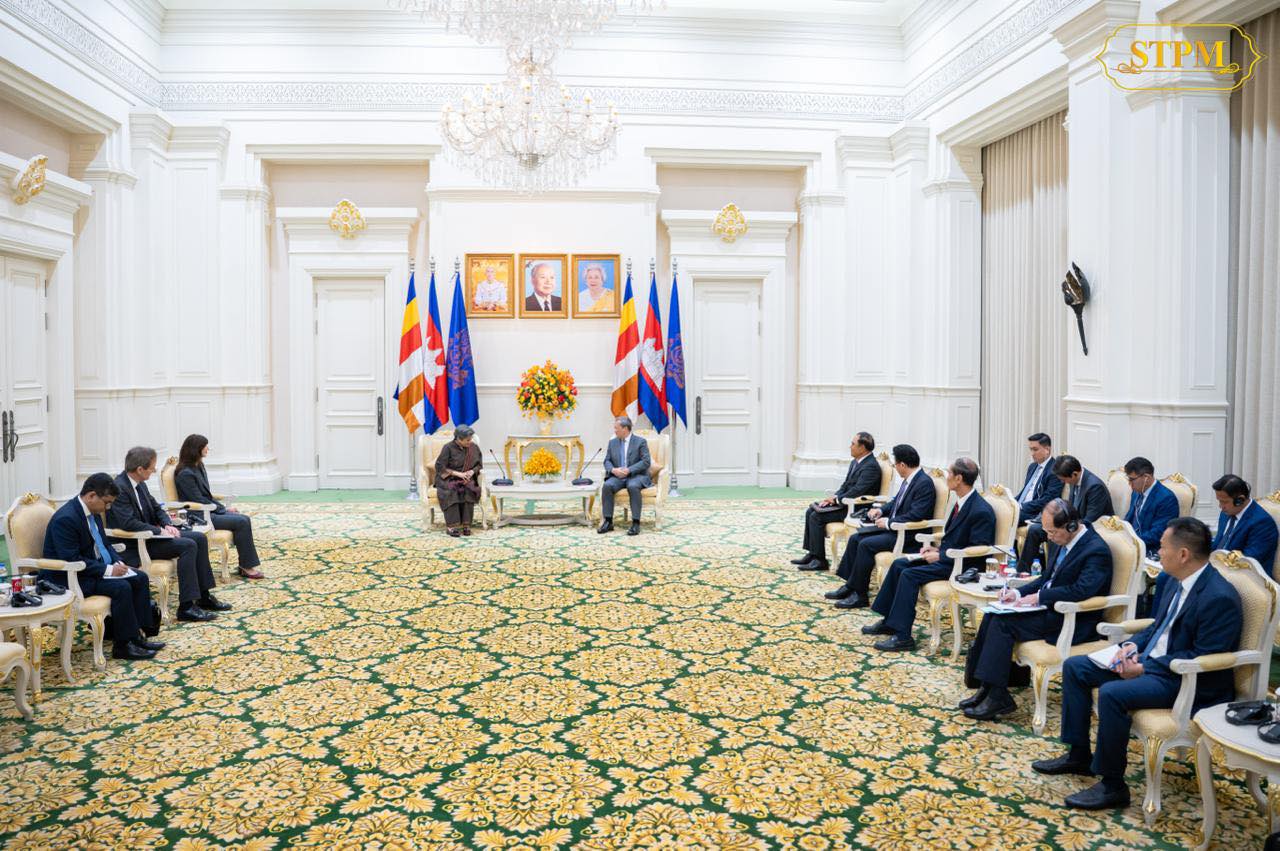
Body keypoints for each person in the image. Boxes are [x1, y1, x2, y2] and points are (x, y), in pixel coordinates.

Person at [1033, 517, 1242, 810]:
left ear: (1183, 554)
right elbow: (1158, 627)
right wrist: (1131, 646)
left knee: (1112, 694)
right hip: (1154, 662)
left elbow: (1201, 656)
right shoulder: (1174, 579)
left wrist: (1143, 668)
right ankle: (1079, 754)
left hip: (1186, 680)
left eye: (1163, 547)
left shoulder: (1219, 597)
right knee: (1076, 667)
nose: (1159, 552)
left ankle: (1112, 785)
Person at [960, 498, 1112, 721]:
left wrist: (1038, 597)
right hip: (1050, 609)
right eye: (1047, 531)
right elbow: (1046, 578)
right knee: (993, 613)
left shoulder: (1096, 551)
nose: (1048, 537)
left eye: (1052, 532)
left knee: (1003, 624)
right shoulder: (1063, 541)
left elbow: (1081, 590)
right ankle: (987, 688)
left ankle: (998, 696)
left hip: (1072, 619)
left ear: (1071, 526)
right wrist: (1018, 593)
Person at [864, 457, 996, 651]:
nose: (947, 477)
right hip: (948, 558)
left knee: (909, 575)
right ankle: (889, 621)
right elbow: (956, 538)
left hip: (962, 566)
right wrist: (937, 549)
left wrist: (941, 556)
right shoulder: (962, 502)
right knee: (899, 564)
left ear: (959, 478)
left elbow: (978, 550)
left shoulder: (980, 510)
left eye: (949, 473)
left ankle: (903, 637)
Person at [40, 474, 163, 660]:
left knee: (140, 577)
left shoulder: (94, 513)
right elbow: (72, 559)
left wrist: (117, 561)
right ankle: (123, 645)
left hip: (91, 570)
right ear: (91, 496)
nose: (108, 508)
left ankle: (138, 636)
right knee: (121, 587)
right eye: (107, 503)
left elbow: (105, 545)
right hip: (69, 578)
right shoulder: (66, 519)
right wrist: (109, 570)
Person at [108, 446, 227, 623]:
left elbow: (157, 508)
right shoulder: (120, 488)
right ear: (140, 469)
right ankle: (186, 607)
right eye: (152, 467)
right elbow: (128, 523)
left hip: (151, 537)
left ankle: (203, 596)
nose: (154, 470)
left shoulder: (139, 483)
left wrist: (167, 524)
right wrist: (159, 530)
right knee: (188, 545)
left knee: (200, 538)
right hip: (136, 544)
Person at [825, 444, 936, 609]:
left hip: (908, 535)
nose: (895, 467)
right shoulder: (911, 479)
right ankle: (850, 586)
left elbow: (916, 515)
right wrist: (881, 510)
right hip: (895, 529)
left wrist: (889, 523)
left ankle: (860, 595)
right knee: (855, 538)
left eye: (895, 464)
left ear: (902, 465)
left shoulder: (923, 483)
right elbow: (896, 502)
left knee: (866, 545)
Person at [174, 434, 265, 579]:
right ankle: (246, 566)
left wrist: (223, 508)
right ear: (196, 449)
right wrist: (223, 509)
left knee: (244, 519)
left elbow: (207, 496)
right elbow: (198, 500)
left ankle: (245, 565)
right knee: (241, 521)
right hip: (198, 515)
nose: (208, 449)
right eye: (205, 446)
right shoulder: (185, 474)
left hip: (208, 510)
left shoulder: (198, 466)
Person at [791, 431, 882, 572]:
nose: (850, 446)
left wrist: (836, 500)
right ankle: (812, 554)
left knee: (816, 517)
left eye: (853, 444)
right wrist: (833, 499)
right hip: (846, 503)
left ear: (862, 447)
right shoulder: (856, 462)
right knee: (810, 511)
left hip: (857, 509)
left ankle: (820, 561)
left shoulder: (871, 467)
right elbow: (846, 485)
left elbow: (858, 491)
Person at [1018, 454, 1113, 573]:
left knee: (1057, 534)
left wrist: (1063, 526)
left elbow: (1090, 520)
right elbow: (1071, 510)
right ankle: (1023, 572)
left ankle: (1053, 573)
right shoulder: (1074, 481)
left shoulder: (1095, 487)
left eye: (1063, 479)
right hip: (1072, 523)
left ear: (1074, 474)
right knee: (1035, 530)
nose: (1063, 482)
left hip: (1088, 529)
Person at [1210, 474, 1277, 576]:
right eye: (1219, 501)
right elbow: (1218, 545)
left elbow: (1248, 562)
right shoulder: (1226, 513)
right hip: (1219, 569)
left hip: (1245, 577)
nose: (1221, 506)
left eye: (1224, 502)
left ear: (1240, 500)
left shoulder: (1262, 523)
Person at [598, 416, 651, 537]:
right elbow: (607, 460)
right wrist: (613, 470)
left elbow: (646, 461)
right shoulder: (612, 442)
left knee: (632, 486)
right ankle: (608, 522)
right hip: (618, 476)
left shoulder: (640, 442)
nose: (614, 431)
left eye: (616, 428)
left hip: (636, 475)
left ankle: (636, 523)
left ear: (625, 429)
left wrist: (629, 470)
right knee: (607, 485)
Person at [1121, 456, 1179, 552]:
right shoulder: (1136, 492)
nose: (1129, 483)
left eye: (1132, 479)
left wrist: (1131, 542)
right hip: (1132, 545)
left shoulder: (1167, 499)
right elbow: (1129, 518)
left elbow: (1158, 534)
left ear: (1146, 478)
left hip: (1150, 549)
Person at [434, 425, 483, 537]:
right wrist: (458, 474)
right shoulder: (448, 448)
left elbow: (479, 465)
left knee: (469, 489)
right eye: (467, 440)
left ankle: (466, 524)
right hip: (449, 478)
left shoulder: (473, 447)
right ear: (459, 439)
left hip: (466, 478)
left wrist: (472, 471)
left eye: (471, 439)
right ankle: (452, 526)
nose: (470, 442)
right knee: (452, 491)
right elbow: (440, 466)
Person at [1016, 433, 1063, 525]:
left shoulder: (1055, 470)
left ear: (1047, 450)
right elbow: (1025, 492)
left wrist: (1021, 506)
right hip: (1022, 508)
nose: (1032, 454)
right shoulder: (1032, 466)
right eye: (1030, 449)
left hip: (1035, 513)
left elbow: (1047, 500)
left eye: (1035, 449)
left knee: (1007, 516)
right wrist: (1012, 502)